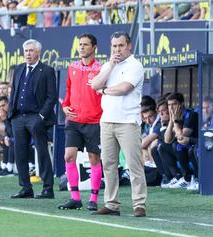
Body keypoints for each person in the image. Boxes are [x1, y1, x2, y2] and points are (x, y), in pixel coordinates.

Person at [91, 31, 147, 217]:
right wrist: (110, 66)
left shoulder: (135, 65)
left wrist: (105, 90)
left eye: (121, 46)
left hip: (128, 122)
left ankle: (139, 204)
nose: (117, 49)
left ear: (129, 46)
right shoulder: (109, 65)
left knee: (134, 164)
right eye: (114, 46)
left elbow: (124, 88)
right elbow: (94, 85)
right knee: (108, 164)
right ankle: (111, 204)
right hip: (107, 121)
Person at [58, 33, 102, 211]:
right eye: (80, 44)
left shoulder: (101, 69)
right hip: (74, 120)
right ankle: (75, 198)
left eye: (85, 44)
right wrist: (65, 107)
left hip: (94, 121)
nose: (81, 47)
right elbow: (68, 91)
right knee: (68, 156)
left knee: (94, 159)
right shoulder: (72, 68)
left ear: (94, 48)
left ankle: (94, 198)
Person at [8, 39, 57, 199]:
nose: (28, 54)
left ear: (38, 53)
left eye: (31, 51)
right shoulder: (19, 69)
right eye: (26, 51)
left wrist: (41, 116)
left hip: (36, 117)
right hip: (18, 117)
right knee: (20, 153)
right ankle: (25, 188)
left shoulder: (47, 70)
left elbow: (52, 97)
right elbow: (13, 93)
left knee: (42, 152)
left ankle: (48, 188)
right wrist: (11, 115)